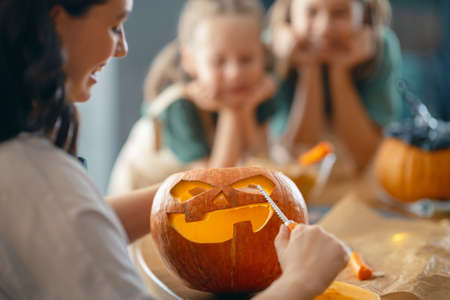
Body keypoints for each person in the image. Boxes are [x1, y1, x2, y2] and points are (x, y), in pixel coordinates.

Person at [0, 0, 348, 299]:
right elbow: (65, 217)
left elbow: (73, 228)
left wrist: (199, 199)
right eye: (114, 26)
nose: (122, 48)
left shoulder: (28, 170)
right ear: (56, 22)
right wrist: (300, 282)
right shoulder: (43, 183)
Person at [108, 0, 277, 195]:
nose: (234, 73)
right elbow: (213, 189)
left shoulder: (252, 95)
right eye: (218, 62)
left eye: (246, 59)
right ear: (189, 60)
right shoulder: (177, 107)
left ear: (263, 55)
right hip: (138, 220)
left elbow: (260, 162)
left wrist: (243, 109)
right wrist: (232, 112)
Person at [269, 0, 404, 171]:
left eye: (339, 13)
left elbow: (368, 157)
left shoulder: (381, 47)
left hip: (357, 178)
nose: (324, 27)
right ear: (290, 12)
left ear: (365, 13)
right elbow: (299, 158)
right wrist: (309, 68)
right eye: (311, 12)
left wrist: (340, 71)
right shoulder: (269, 50)